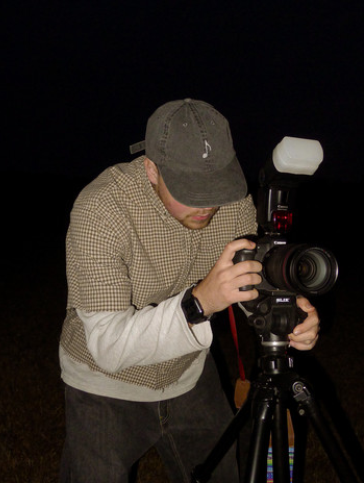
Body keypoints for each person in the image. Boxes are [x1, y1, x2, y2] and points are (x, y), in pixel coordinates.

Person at [58, 98, 320, 483]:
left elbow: (251, 283)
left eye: (216, 186)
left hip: (188, 376)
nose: (208, 204)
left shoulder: (232, 203)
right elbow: (107, 345)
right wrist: (200, 303)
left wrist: (287, 314)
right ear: (151, 168)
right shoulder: (102, 210)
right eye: (191, 189)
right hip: (103, 385)